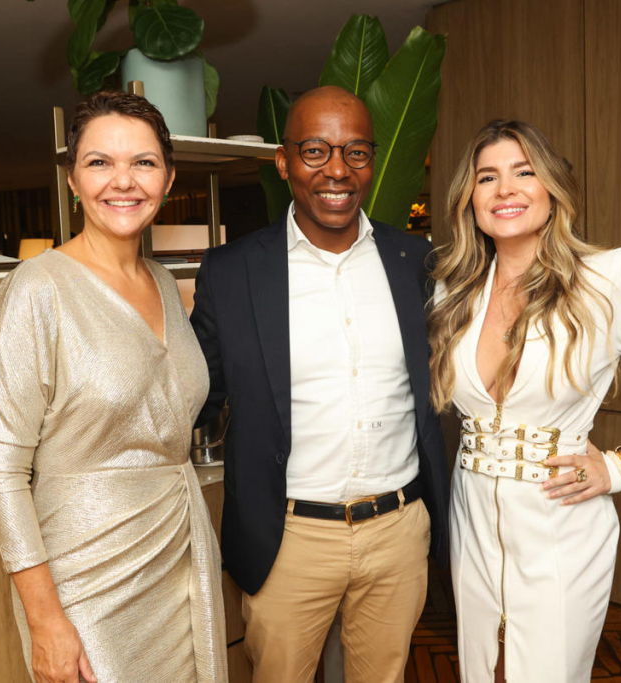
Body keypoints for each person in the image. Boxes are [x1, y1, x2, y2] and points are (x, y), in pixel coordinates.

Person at [427, 119, 621, 683]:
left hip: (560, 525)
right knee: (482, 671)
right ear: (470, 198)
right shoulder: (455, 291)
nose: (505, 189)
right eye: (487, 177)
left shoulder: (601, 283)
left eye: (523, 172)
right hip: (473, 521)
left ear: (552, 188)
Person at [190, 85, 450, 683]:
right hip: (288, 540)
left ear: (372, 162)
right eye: (315, 150)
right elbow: (194, 395)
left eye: (356, 152)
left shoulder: (416, 262)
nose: (337, 170)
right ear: (283, 162)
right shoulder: (232, 272)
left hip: (397, 531)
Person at [0, 91, 226, 683]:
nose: (124, 181)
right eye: (99, 162)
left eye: (143, 162)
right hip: (84, 579)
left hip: (179, 554)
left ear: (168, 178)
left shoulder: (163, 283)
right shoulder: (37, 289)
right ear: (72, 179)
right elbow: (0, 470)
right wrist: (45, 620)